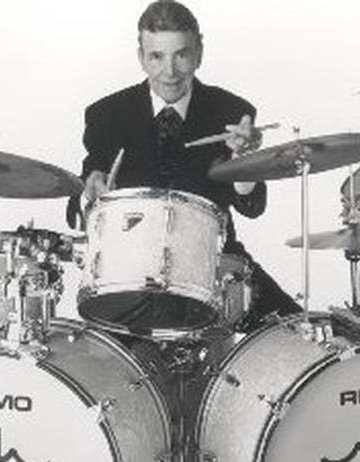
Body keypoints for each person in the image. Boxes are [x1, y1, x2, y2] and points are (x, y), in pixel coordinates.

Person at [67, 0, 300, 332]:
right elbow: (75, 213)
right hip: (131, 273)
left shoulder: (231, 109)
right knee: (112, 372)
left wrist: (242, 162)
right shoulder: (107, 114)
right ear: (140, 56)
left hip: (215, 265)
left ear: (199, 52)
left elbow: (252, 207)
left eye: (182, 54)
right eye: (156, 56)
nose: (170, 70)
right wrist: (91, 195)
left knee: (297, 336)